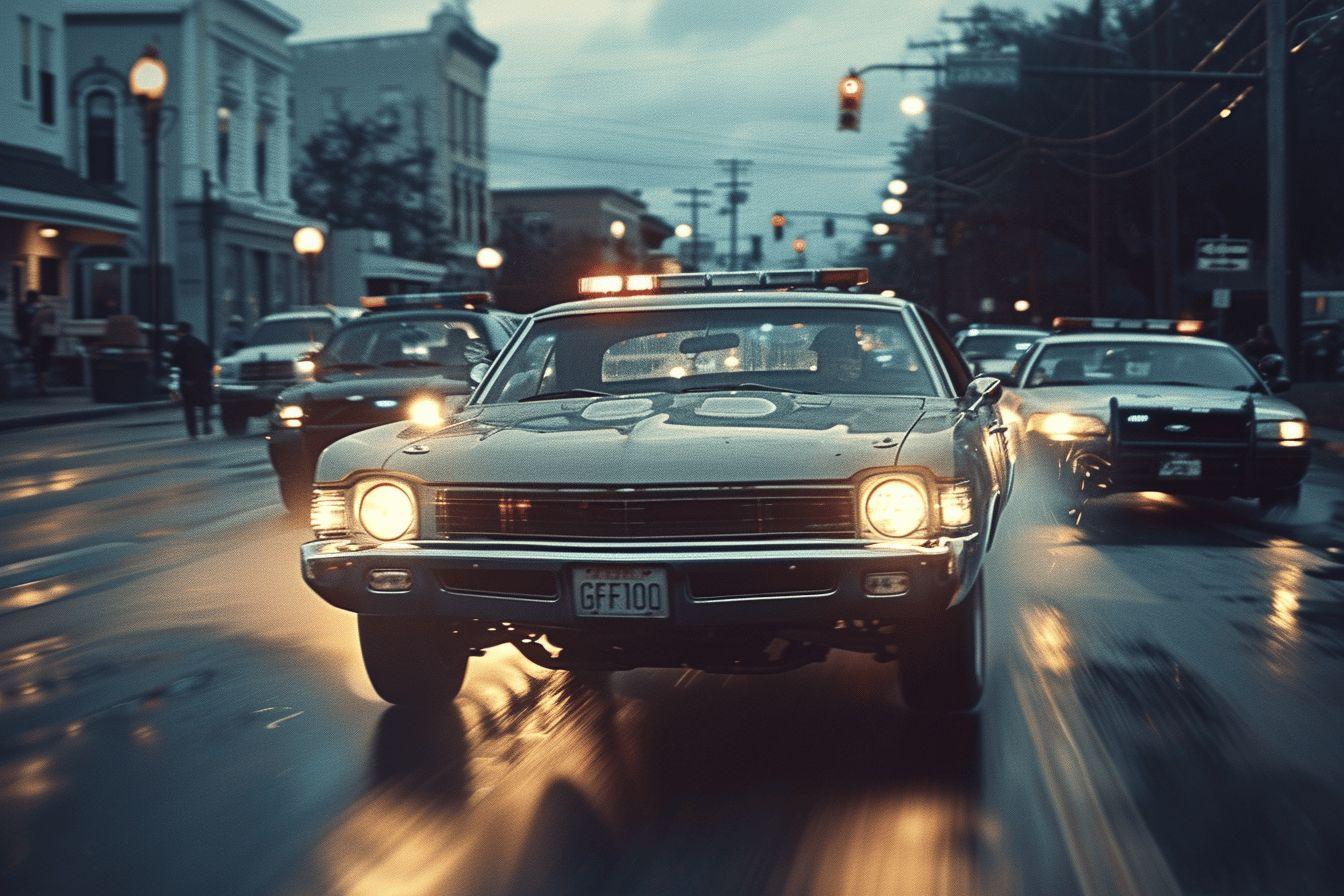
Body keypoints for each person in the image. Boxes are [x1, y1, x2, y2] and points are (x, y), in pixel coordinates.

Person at [170, 320, 215, 439]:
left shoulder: (179, 344)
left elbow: (175, 364)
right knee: (205, 402)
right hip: (203, 377)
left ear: (179, 332)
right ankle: (206, 423)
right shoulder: (200, 343)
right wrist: (208, 372)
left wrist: (176, 384)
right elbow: (210, 357)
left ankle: (193, 432)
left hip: (188, 379)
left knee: (189, 406)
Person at [27, 291, 57, 395]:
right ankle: (42, 387)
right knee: (44, 366)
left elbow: (32, 328)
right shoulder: (48, 315)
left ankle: (40, 387)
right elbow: (52, 332)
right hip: (44, 343)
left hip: (37, 343)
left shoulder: (36, 315)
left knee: (39, 366)